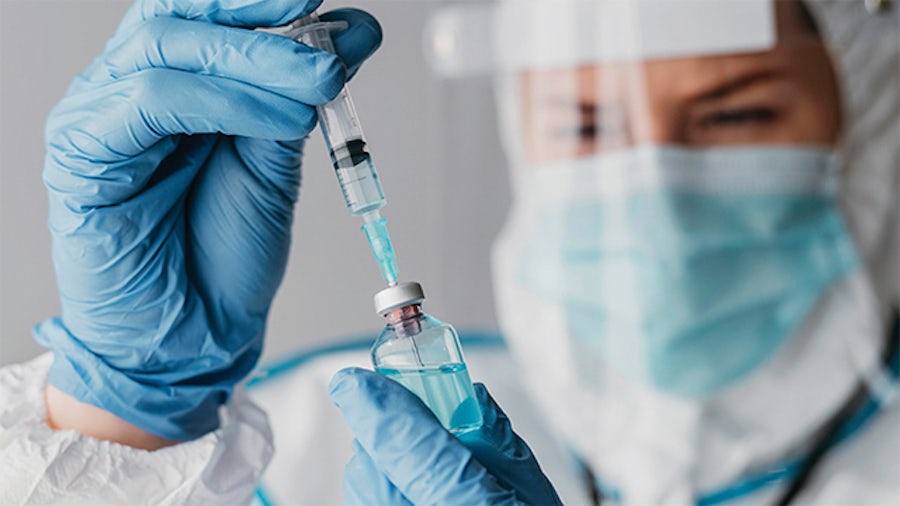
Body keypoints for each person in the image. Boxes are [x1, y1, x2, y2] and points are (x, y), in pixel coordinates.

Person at [1, 0, 897, 505]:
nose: (652, 187)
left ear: (865, 120)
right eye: (584, 122)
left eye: (739, 114)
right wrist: (130, 409)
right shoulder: (302, 446)